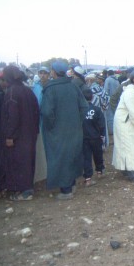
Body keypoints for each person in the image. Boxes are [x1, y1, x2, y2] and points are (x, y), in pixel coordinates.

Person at [41, 61, 89, 200]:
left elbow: (46, 112)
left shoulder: (50, 89)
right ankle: (72, 184)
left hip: (58, 131)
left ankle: (66, 190)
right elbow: (84, 107)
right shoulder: (73, 86)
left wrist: (51, 127)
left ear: (54, 72)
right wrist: (77, 122)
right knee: (72, 156)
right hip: (74, 130)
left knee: (60, 158)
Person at [0, 66, 40, 201]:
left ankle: (24, 192)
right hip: (30, 134)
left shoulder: (11, 93)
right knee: (28, 161)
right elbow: (36, 111)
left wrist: (10, 136)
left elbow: (12, 117)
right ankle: (27, 188)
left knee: (17, 163)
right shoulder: (28, 91)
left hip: (18, 136)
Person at [112, 70, 134, 183]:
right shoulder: (129, 92)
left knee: (132, 145)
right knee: (129, 146)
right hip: (125, 123)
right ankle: (132, 172)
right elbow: (132, 110)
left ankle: (127, 168)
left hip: (131, 122)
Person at [82, 88, 106, 185]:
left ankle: (88, 178)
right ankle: (99, 172)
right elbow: (101, 124)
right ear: (92, 98)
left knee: (86, 157)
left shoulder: (79, 111)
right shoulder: (96, 110)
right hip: (95, 137)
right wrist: (102, 135)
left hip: (84, 137)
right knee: (98, 154)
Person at [104, 69, 120, 134]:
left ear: (108, 74)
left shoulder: (108, 80)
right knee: (116, 114)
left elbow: (105, 90)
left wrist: (105, 100)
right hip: (117, 100)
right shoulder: (117, 80)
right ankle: (117, 129)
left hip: (109, 99)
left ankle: (111, 131)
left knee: (110, 115)